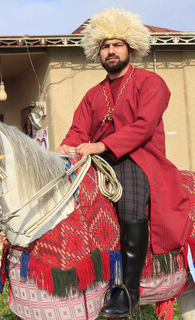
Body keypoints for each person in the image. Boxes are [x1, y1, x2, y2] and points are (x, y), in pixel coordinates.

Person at [56, 8, 192, 319]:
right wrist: (68, 146)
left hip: (141, 160)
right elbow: (79, 130)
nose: (111, 51)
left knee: (130, 199)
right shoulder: (93, 94)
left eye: (117, 44)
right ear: (97, 52)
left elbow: (143, 127)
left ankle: (128, 295)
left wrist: (102, 145)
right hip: (99, 160)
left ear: (130, 47)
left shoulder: (151, 83)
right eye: (105, 46)